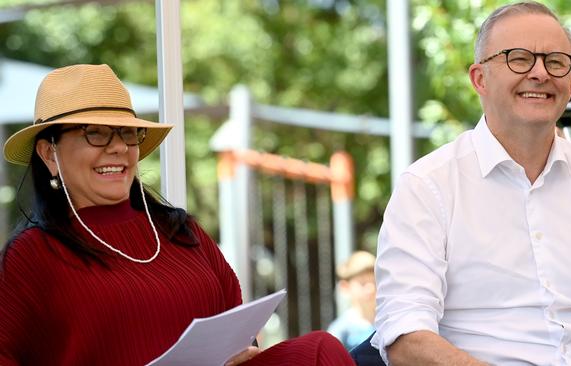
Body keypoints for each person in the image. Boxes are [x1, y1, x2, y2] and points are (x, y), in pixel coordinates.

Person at [0, 64, 355, 366]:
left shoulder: (182, 232)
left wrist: (245, 353)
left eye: (127, 132)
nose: (119, 147)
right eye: (95, 133)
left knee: (319, 351)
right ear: (49, 153)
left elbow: (240, 330)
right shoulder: (32, 257)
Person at [371, 2, 571, 365]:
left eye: (555, 62)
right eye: (519, 58)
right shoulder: (428, 187)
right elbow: (405, 337)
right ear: (479, 78)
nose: (539, 73)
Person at [327, 250, 376, 350]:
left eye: (374, 282)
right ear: (345, 287)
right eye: (363, 283)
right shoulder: (340, 329)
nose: (371, 288)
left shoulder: (387, 320)